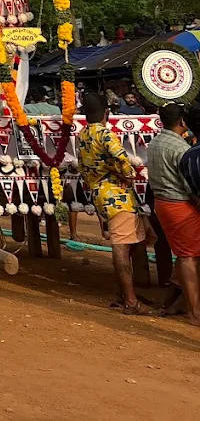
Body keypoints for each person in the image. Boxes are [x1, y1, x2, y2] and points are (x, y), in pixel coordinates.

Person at [78, 91, 149, 313]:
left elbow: (81, 166)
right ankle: (129, 300)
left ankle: (128, 294)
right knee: (121, 247)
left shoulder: (83, 134)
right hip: (118, 197)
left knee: (128, 244)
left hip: (99, 193)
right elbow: (122, 158)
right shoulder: (105, 135)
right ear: (106, 112)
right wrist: (128, 175)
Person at [147, 102, 200, 324]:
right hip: (180, 204)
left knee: (185, 253)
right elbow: (190, 183)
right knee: (189, 257)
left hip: (163, 203)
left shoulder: (156, 142)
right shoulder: (180, 149)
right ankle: (195, 311)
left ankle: (177, 301)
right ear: (182, 122)